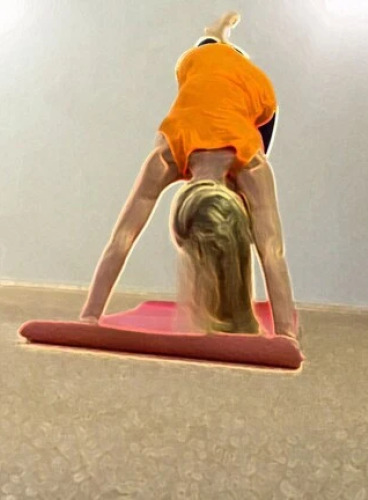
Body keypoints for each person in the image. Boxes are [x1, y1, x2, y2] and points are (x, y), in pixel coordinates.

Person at [78, 12, 299, 341]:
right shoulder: (168, 153)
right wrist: (88, 317)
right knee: (208, 44)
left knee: (258, 221)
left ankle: (218, 34)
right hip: (202, 62)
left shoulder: (250, 163)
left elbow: (271, 251)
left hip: (255, 91)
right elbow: (121, 240)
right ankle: (217, 33)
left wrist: (286, 334)